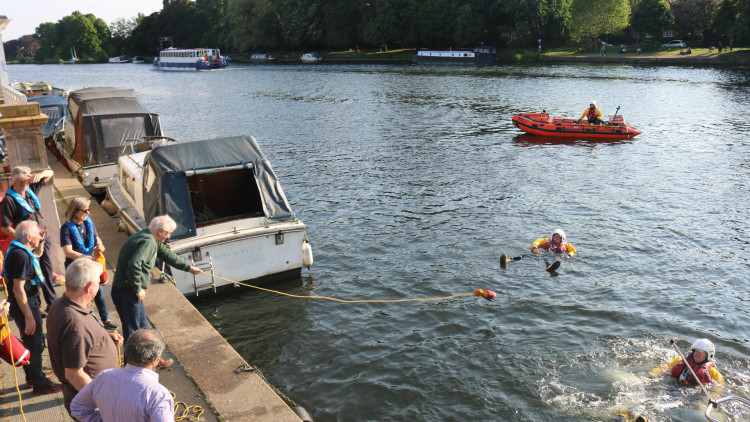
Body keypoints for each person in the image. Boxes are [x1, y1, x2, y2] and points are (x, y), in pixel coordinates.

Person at [46, 258, 122, 416]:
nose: (101, 284)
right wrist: (106, 403)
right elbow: (74, 374)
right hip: (93, 404)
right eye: (98, 281)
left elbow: (73, 341)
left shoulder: (61, 303)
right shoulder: (75, 323)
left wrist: (103, 340)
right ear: (89, 287)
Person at [111, 215, 200, 342]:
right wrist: (138, 289)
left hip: (130, 291)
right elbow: (134, 264)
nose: (169, 236)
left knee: (144, 330)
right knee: (134, 334)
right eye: (168, 233)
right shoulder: (148, 241)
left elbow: (167, 255)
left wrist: (189, 268)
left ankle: (151, 360)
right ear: (160, 232)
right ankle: (133, 361)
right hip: (126, 291)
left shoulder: (151, 238)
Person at [1, 220, 62, 394]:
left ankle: (33, 375)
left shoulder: (20, 249)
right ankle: (39, 383)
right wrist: (28, 315)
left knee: (30, 342)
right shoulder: (20, 256)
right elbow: (18, 288)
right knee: (35, 344)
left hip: (24, 303)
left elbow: (37, 255)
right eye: (37, 234)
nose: (40, 235)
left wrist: (40, 241)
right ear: (28, 237)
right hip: (26, 303)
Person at [70, 329, 175, 422]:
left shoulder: (104, 376)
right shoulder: (158, 395)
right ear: (156, 359)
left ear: (126, 352)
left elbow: (78, 407)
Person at [1, 166, 58, 309]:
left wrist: (41, 173)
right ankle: (32, 305)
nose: (29, 178)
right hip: (28, 242)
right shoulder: (9, 200)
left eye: (29, 175)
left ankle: (52, 302)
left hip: (42, 237)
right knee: (29, 275)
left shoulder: (30, 189)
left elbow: (50, 173)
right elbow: (5, 227)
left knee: (47, 269)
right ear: (16, 179)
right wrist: (22, 239)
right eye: (26, 175)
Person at [60, 196, 117, 330]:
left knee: (99, 293)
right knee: (79, 296)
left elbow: (97, 238)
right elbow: (68, 252)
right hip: (75, 266)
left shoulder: (88, 222)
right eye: (85, 211)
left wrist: (100, 245)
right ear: (75, 211)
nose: (88, 213)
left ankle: (105, 319)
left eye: (88, 210)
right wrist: (84, 256)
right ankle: (81, 322)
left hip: (89, 264)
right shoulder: (66, 229)